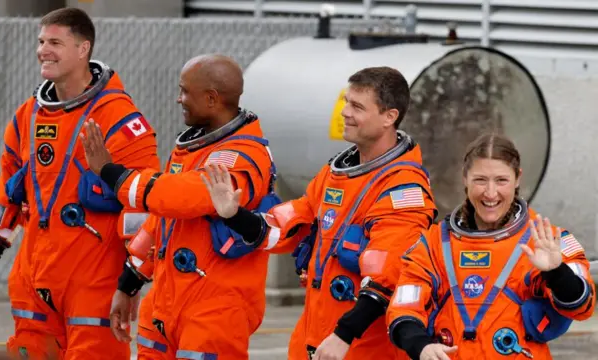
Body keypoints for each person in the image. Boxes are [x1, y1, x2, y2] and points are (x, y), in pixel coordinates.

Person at [200, 66, 438, 360]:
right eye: (346, 101)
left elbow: (387, 278)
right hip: (316, 338)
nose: (345, 112)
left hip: (359, 347)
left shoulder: (403, 191)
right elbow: (285, 226)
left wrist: (343, 335)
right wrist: (234, 215)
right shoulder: (335, 173)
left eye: (357, 106)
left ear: (389, 117)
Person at [0, 7, 160, 359]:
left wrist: (131, 281)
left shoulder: (119, 118)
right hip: (33, 276)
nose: (43, 50)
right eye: (41, 41)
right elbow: (8, 186)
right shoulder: (29, 115)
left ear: (83, 49)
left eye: (55, 42)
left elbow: (144, 204)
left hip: (93, 277)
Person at [80, 54, 280, 360]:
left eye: (185, 91)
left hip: (214, 310)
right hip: (165, 305)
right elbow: (161, 221)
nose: (179, 98)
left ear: (212, 99)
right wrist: (130, 282)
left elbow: (180, 196)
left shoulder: (242, 156)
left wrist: (111, 172)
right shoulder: (193, 148)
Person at [386, 133, 596, 360]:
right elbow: (404, 308)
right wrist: (422, 346)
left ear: (517, 179)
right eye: (480, 180)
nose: (490, 193)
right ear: (465, 178)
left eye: (501, 180)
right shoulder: (434, 244)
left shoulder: (546, 241)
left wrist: (556, 272)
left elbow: (582, 306)